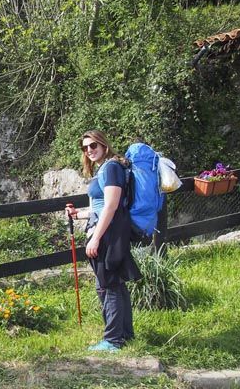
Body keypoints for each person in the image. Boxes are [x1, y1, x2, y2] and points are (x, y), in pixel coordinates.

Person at [65, 130, 142, 352]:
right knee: (114, 284)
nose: (89, 150)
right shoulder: (107, 168)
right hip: (109, 230)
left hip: (107, 234)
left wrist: (95, 238)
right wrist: (78, 215)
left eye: (93, 145)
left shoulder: (110, 168)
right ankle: (125, 335)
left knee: (108, 286)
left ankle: (113, 340)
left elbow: (111, 205)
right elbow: (101, 207)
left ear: (103, 145)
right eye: (85, 147)